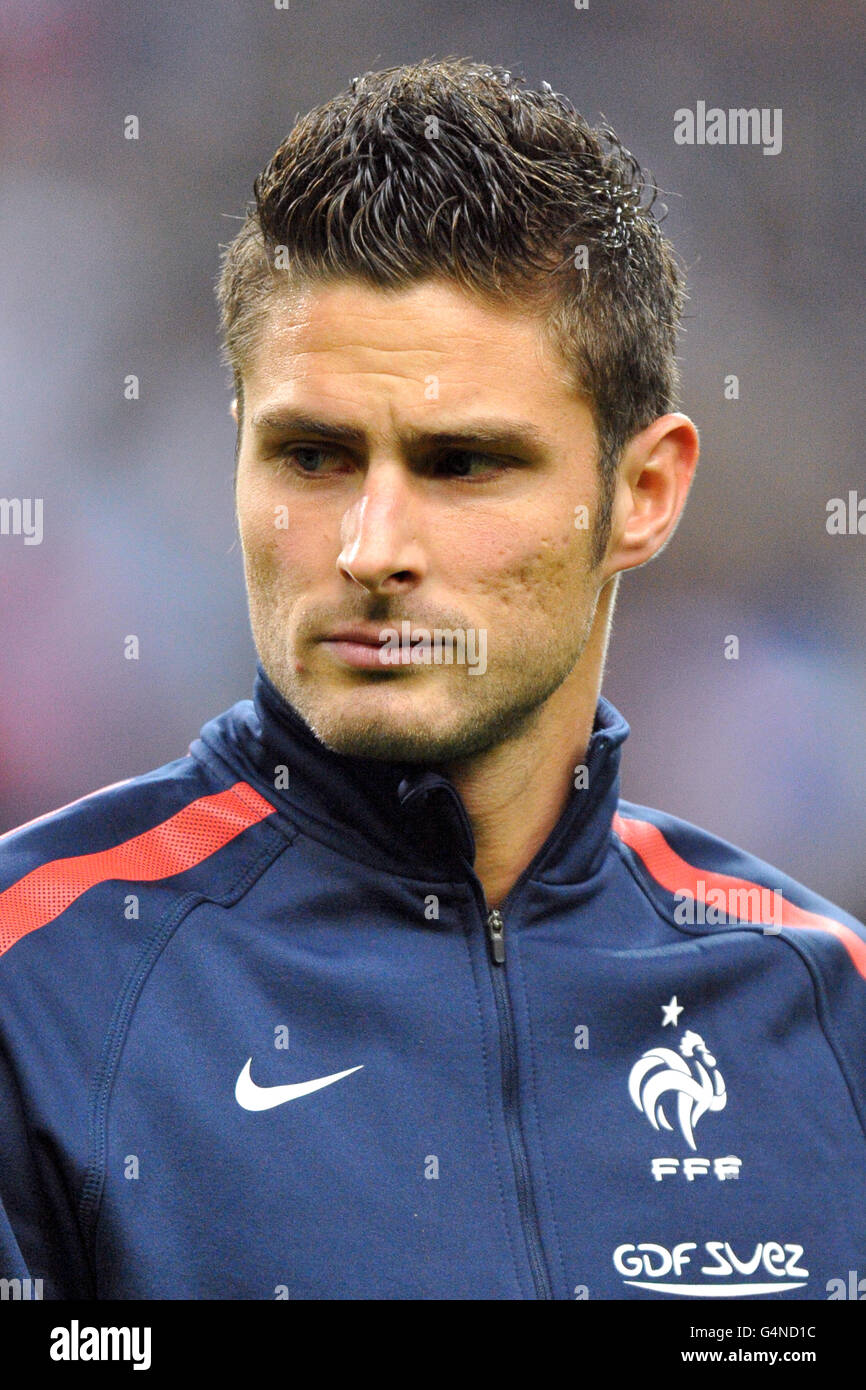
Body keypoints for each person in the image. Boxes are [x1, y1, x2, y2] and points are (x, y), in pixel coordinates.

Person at [1, 58, 863, 1303]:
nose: (369, 549)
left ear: (643, 494)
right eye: (310, 454)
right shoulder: (34, 993)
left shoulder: (822, 1010)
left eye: (462, 464)